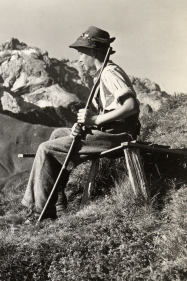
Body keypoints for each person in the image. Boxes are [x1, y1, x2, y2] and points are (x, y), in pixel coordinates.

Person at [21, 26, 141, 222]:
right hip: (109, 132)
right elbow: (112, 111)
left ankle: (41, 213)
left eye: (80, 53)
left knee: (46, 149)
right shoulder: (102, 74)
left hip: (117, 135)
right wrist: (86, 126)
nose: (78, 59)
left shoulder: (109, 73)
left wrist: (94, 120)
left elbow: (131, 106)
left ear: (93, 52)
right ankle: (58, 203)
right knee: (59, 134)